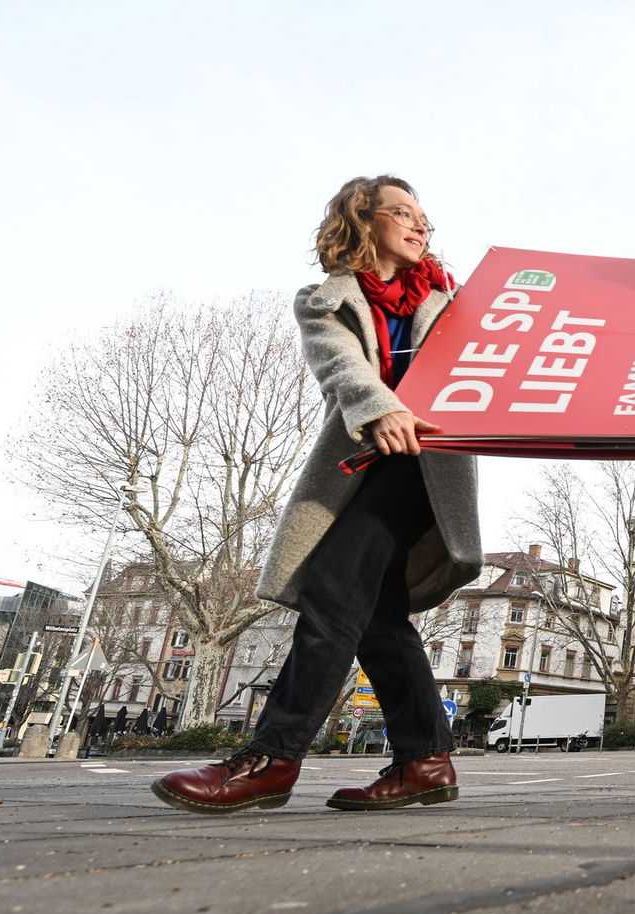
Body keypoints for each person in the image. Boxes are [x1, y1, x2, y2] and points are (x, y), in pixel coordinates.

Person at [152, 176, 482, 814]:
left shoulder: (457, 298)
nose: (420, 227)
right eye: (403, 214)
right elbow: (341, 365)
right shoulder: (325, 300)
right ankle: (424, 761)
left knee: (332, 596)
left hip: (430, 465)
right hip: (369, 459)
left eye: (425, 220)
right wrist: (378, 406)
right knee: (376, 616)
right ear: (364, 220)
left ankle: (272, 758)